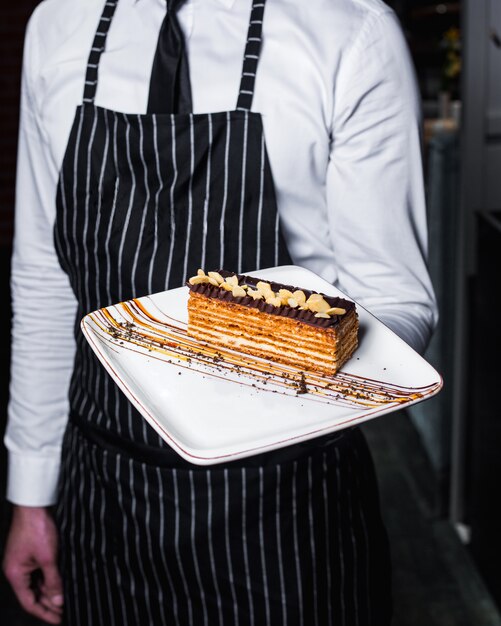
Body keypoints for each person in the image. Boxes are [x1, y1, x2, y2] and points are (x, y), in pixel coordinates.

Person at [2, 0, 438, 624]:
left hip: (286, 515)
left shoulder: (349, 28)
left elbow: (399, 300)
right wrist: (31, 494)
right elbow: (46, 279)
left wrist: (293, 354)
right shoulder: (57, 23)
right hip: (103, 496)